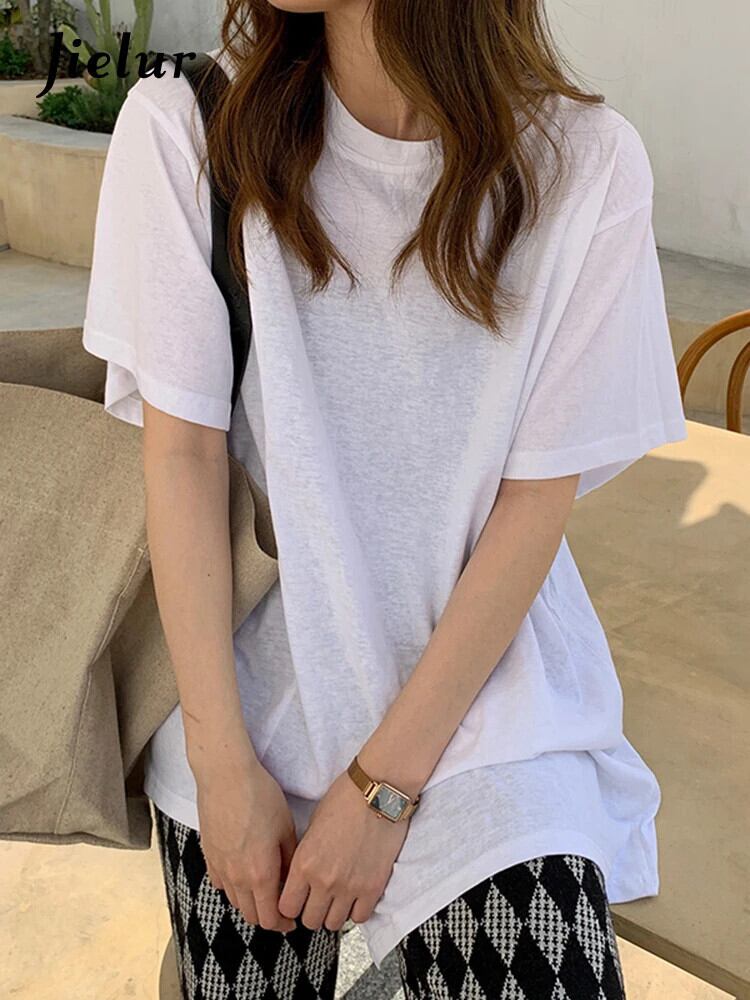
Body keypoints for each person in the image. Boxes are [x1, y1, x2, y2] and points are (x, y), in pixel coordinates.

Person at [81, 1, 687, 997]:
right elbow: (182, 457)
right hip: (243, 716)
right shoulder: (189, 127)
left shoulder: (584, 166)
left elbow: (532, 507)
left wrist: (381, 791)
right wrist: (222, 764)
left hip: (483, 713)